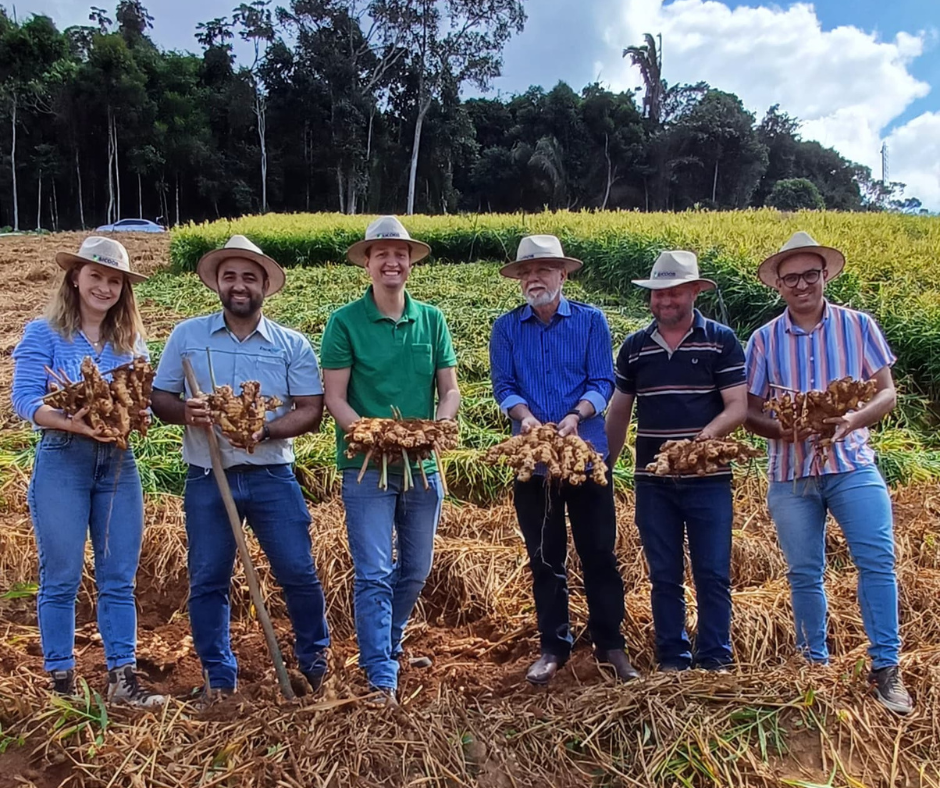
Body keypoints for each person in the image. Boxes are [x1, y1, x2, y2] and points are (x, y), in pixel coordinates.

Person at [150, 235, 329, 699]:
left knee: (299, 572)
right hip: (209, 476)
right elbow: (159, 398)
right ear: (218, 284)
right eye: (230, 276)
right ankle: (219, 676)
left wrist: (265, 431)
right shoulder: (187, 337)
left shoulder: (291, 344)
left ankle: (314, 662)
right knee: (208, 577)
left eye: (249, 276)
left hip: (272, 475)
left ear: (265, 285)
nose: (239, 285)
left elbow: (311, 409)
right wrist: (186, 412)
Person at [744, 231, 912, 714]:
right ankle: (813, 665)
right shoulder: (763, 340)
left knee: (877, 562)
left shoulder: (858, 326)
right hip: (791, 475)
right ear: (778, 284)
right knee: (804, 572)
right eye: (791, 277)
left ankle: (886, 668)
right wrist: (785, 431)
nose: (802, 285)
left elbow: (886, 392)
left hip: (853, 464)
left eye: (810, 275)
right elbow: (750, 411)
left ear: (824, 277)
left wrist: (854, 420)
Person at [11, 236, 164, 706]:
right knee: (61, 575)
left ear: (123, 289)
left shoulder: (130, 341)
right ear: (75, 277)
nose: (104, 286)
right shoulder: (44, 333)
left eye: (114, 280)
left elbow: (143, 402)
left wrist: (140, 415)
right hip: (63, 460)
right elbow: (25, 401)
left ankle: (122, 678)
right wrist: (68, 420)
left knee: (118, 575)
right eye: (95, 275)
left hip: (118, 462)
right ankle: (62, 682)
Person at [321, 216, 460, 705]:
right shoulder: (344, 323)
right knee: (375, 571)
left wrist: (440, 426)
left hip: (421, 467)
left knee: (416, 568)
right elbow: (335, 397)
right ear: (367, 263)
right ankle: (381, 671)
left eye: (399, 253)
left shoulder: (433, 320)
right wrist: (370, 433)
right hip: (367, 468)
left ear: (410, 262)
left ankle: (391, 640)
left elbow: (449, 390)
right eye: (381, 253)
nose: (391, 261)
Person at [489, 234, 640, 686]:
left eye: (544, 270)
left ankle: (610, 643)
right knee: (544, 555)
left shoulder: (591, 322)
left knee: (599, 552)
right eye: (527, 272)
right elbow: (504, 386)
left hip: (585, 456)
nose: (535, 278)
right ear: (519, 280)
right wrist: (526, 418)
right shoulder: (506, 328)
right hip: (532, 460)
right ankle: (554, 646)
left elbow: (602, 380)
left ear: (562, 275)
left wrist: (576, 416)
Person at [606, 250, 747, 673]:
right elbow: (619, 410)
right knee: (664, 573)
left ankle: (715, 658)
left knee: (712, 572)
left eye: (675, 293)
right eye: (658, 295)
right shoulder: (634, 347)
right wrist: (607, 467)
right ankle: (672, 657)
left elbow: (737, 406)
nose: (665, 302)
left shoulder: (720, 341)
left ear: (693, 292)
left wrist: (705, 438)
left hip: (708, 476)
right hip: (653, 480)